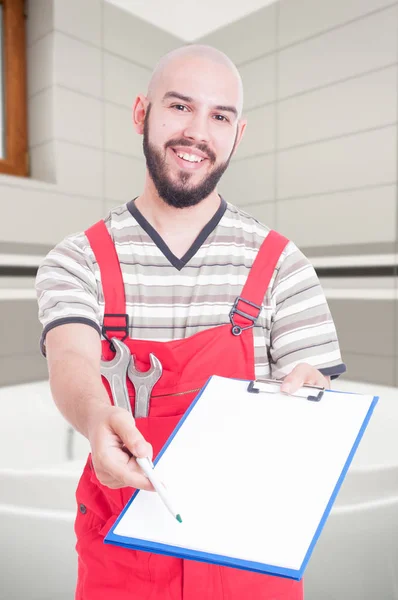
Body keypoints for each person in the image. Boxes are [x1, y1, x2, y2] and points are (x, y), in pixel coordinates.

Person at [35, 44, 346, 600]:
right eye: (179, 106)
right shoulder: (79, 258)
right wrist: (97, 413)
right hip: (121, 558)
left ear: (238, 133)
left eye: (219, 116)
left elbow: (312, 389)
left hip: (249, 557)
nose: (197, 132)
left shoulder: (280, 264)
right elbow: (71, 359)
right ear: (141, 113)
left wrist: (312, 401)